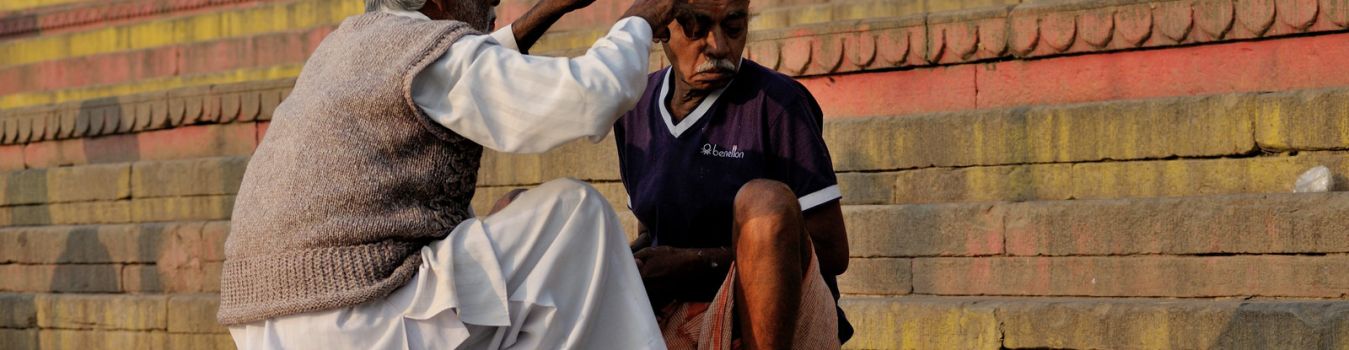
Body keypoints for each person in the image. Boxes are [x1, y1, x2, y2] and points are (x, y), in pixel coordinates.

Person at [217, 0, 677, 348]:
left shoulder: (351, 45)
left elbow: (462, 67)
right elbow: (589, 97)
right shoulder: (424, 53)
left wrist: (547, 12)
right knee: (575, 215)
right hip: (355, 318)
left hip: (266, 323)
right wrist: (635, 23)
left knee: (516, 247)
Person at [613, 0, 852, 348]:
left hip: (777, 319)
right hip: (680, 314)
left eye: (734, 27)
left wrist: (694, 265)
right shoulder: (634, 107)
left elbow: (831, 252)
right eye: (698, 28)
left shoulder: (777, 103)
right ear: (661, 26)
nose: (719, 46)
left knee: (764, 201)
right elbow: (653, 225)